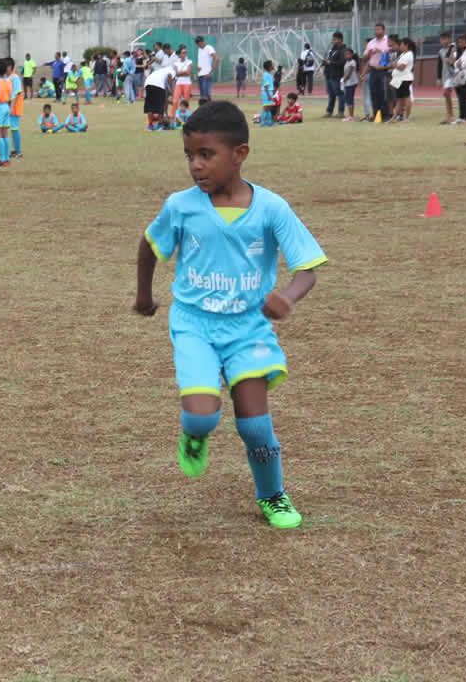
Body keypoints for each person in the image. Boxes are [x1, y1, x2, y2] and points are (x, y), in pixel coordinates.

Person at [133, 100, 327, 530]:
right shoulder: (181, 206)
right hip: (194, 325)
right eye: (189, 155)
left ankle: (272, 495)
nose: (195, 166)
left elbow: (308, 267)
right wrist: (144, 296)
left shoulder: (271, 208)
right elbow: (149, 245)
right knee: (202, 414)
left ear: (239, 154)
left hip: (248, 329)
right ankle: (195, 434)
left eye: (206, 155)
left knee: (255, 427)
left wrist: (288, 297)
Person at [364, 23, 391, 123]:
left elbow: (392, 51)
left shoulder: (388, 40)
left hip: (384, 70)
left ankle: (385, 115)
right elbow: (365, 58)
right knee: (373, 92)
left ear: (384, 30)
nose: (376, 32)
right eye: (375, 30)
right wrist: (370, 53)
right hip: (373, 70)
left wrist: (381, 50)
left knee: (383, 93)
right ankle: (376, 114)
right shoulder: (371, 42)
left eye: (379, 29)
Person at [390, 37, 415, 123]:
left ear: (406, 45)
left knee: (406, 98)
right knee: (400, 99)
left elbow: (402, 67)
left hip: (405, 79)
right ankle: (394, 118)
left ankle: (406, 118)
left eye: (401, 44)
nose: (400, 46)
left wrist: (394, 65)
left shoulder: (409, 54)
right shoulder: (403, 54)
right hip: (400, 79)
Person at [321, 32, 346, 118]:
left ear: (340, 40)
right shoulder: (332, 49)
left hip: (337, 75)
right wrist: (325, 63)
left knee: (339, 93)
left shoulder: (343, 50)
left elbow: (342, 62)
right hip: (329, 74)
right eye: (333, 39)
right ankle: (329, 111)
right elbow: (329, 60)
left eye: (334, 39)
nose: (333, 41)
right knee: (331, 94)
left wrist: (331, 62)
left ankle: (341, 112)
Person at [144, 63, 174, 131]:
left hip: (148, 83)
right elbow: (170, 77)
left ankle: (150, 126)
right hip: (158, 85)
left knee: (149, 106)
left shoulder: (161, 71)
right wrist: (172, 93)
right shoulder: (171, 70)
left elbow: (166, 93)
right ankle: (160, 125)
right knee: (160, 105)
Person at [438, 31, 459, 125]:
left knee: (461, 95)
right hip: (446, 76)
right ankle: (449, 115)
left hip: (457, 74)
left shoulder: (454, 48)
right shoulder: (441, 51)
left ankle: (456, 116)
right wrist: (438, 77)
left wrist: (451, 60)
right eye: (441, 39)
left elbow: (455, 59)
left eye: (445, 39)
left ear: (450, 39)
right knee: (446, 94)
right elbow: (439, 64)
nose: (442, 41)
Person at [195, 36, 218, 104]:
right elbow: (202, 61)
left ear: (202, 42)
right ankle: (204, 111)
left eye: (199, 44)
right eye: (197, 45)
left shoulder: (209, 48)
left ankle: (210, 110)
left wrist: (210, 71)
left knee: (206, 96)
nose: (198, 46)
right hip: (200, 75)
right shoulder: (199, 49)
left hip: (206, 75)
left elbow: (216, 59)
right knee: (202, 96)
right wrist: (198, 66)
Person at [171, 46, 193, 112]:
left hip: (187, 83)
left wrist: (180, 72)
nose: (184, 54)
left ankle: (187, 116)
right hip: (178, 83)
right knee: (175, 101)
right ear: (180, 54)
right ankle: (173, 116)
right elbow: (176, 73)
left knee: (186, 101)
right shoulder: (176, 63)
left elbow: (188, 72)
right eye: (183, 53)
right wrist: (184, 72)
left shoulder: (189, 61)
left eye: (185, 52)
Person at [341, 48, 359, 122]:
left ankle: (351, 116)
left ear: (351, 55)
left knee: (349, 99)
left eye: (348, 54)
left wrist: (342, 80)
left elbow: (349, 74)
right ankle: (350, 115)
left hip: (351, 83)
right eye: (345, 54)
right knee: (348, 99)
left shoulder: (352, 62)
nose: (346, 56)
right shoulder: (347, 62)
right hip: (347, 83)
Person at [259, 60, 277, 127]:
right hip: (266, 92)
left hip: (269, 92)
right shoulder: (265, 74)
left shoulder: (269, 74)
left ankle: (269, 122)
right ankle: (263, 123)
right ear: (269, 67)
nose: (273, 66)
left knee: (269, 108)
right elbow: (266, 86)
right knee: (266, 108)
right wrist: (268, 95)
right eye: (272, 65)